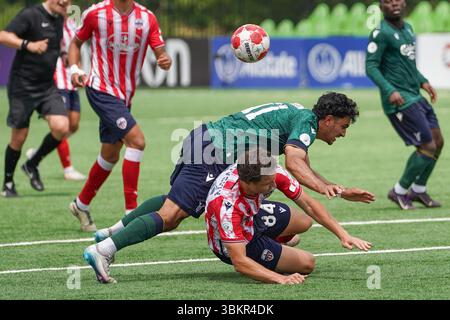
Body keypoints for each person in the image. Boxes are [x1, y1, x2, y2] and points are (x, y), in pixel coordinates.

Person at [82, 92, 375, 284]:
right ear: (327, 120)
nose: (343, 133)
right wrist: (328, 191)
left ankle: (114, 230)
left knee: (175, 203)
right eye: (343, 126)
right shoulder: (306, 125)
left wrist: (334, 187)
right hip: (216, 151)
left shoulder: (299, 116)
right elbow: (296, 166)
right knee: (172, 215)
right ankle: (104, 249)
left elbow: (302, 166)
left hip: (207, 139)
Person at [67, 0, 172, 231]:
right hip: (100, 89)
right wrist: (75, 69)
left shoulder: (147, 18)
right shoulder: (95, 14)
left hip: (124, 96)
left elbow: (160, 52)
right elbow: (75, 43)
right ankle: (131, 214)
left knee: (110, 154)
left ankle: (81, 204)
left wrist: (164, 59)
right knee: (137, 141)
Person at [204, 149, 372, 284]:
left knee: (304, 221)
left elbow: (308, 204)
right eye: (268, 184)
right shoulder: (227, 207)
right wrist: (281, 278)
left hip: (251, 215)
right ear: (248, 183)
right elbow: (239, 262)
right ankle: (267, 252)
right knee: (307, 263)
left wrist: (343, 235)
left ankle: (273, 245)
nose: (274, 185)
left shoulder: (268, 169)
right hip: (235, 243)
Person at [366, 0, 444, 210]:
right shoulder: (380, 33)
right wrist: (389, 90)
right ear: (381, 7)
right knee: (427, 145)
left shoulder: (408, 28)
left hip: (415, 95)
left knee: (438, 141)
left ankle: (418, 189)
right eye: (388, 2)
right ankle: (399, 191)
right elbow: (371, 66)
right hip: (399, 100)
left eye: (397, 0)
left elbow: (407, 64)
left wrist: (423, 81)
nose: (394, 4)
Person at [0, 0, 71, 198]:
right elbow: (3, 36)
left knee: (62, 127)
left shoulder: (59, 18)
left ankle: (32, 164)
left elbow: (60, 46)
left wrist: (65, 56)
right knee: (19, 136)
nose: (65, 1)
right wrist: (27, 45)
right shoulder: (30, 15)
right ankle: (7, 183)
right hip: (22, 87)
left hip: (47, 86)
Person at [26, 14, 86, 181]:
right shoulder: (48, 23)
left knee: (74, 125)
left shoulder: (74, 23)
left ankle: (38, 153)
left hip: (70, 79)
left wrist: (78, 70)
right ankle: (68, 169)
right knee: (63, 126)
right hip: (55, 80)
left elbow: (77, 48)